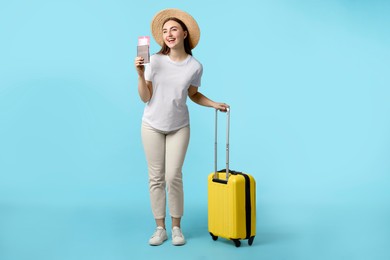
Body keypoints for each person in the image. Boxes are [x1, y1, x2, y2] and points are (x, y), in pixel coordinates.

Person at [134, 8, 229, 246]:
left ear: (184, 33)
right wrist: (139, 74)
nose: (169, 34)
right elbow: (145, 97)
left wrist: (213, 103)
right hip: (152, 125)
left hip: (179, 126)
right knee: (155, 177)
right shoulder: (153, 61)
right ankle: (160, 228)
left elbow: (193, 95)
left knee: (173, 176)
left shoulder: (194, 66)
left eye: (173, 29)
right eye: (165, 31)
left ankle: (176, 228)